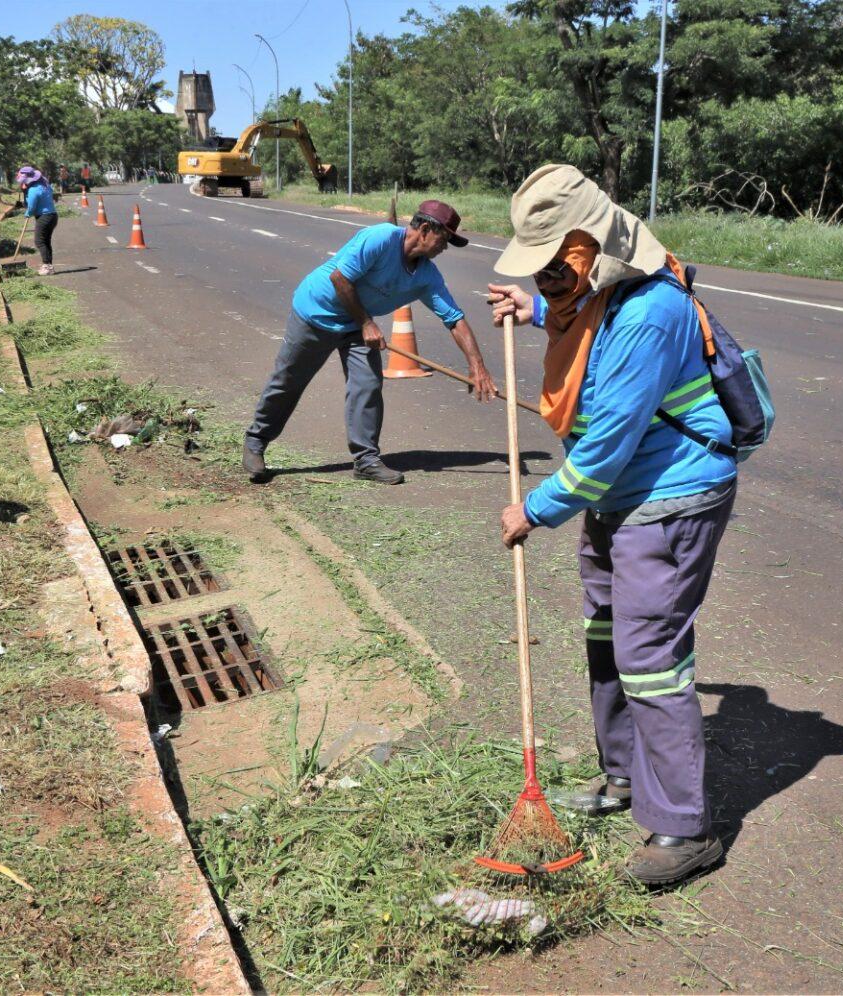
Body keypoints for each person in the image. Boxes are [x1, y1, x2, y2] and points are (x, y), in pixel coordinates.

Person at [487, 164, 738, 887]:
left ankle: (686, 828)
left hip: (668, 499)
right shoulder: (603, 292)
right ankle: (623, 778)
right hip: (616, 500)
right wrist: (534, 311)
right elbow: (586, 328)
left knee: (651, 657)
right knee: (608, 640)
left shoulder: (650, 310)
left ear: (589, 249)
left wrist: (533, 510)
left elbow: (603, 448)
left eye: (551, 274)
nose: (545, 287)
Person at [242, 201, 500, 484]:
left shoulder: (427, 276)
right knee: (289, 381)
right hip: (316, 313)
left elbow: (454, 318)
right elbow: (340, 278)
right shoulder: (380, 238)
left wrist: (477, 366)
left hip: (357, 324)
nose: (445, 247)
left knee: (367, 384)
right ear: (425, 229)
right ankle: (256, 441)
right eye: (444, 238)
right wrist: (366, 323)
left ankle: (366, 460)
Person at [17, 166, 58, 277]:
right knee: (46, 241)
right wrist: (25, 191)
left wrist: (27, 214)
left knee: (39, 241)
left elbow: (31, 207)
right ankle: (49, 266)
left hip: (44, 217)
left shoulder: (33, 190)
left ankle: (46, 266)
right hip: (52, 216)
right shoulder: (45, 185)